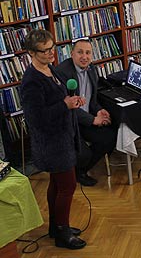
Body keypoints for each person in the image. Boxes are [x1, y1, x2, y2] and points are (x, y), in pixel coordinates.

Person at [20, 29, 87, 250]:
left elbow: (58, 99)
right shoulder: (32, 81)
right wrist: (64, 105)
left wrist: (72, 101)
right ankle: (62, 234)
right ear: (31, 52)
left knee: (57, 184)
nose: (51, 53)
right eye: (45, 51)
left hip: (62, 136)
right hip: (52, 143)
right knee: (67, 186)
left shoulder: (50, 69)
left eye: (52, 48)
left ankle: (55, 227)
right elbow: (36, 119)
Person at [54, 39, 117, 186]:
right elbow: (68, 108)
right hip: (68, 123)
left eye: (88, 53)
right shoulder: (62, 73)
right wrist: (93, 120)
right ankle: (77, 170)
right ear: (72, 54)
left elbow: (92, 100)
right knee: (84, 153)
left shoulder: (91, 69)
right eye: (80, 52)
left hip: (85, 119)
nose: (84, 57)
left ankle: (80, 170)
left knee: (109, 137)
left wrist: (99, 110)